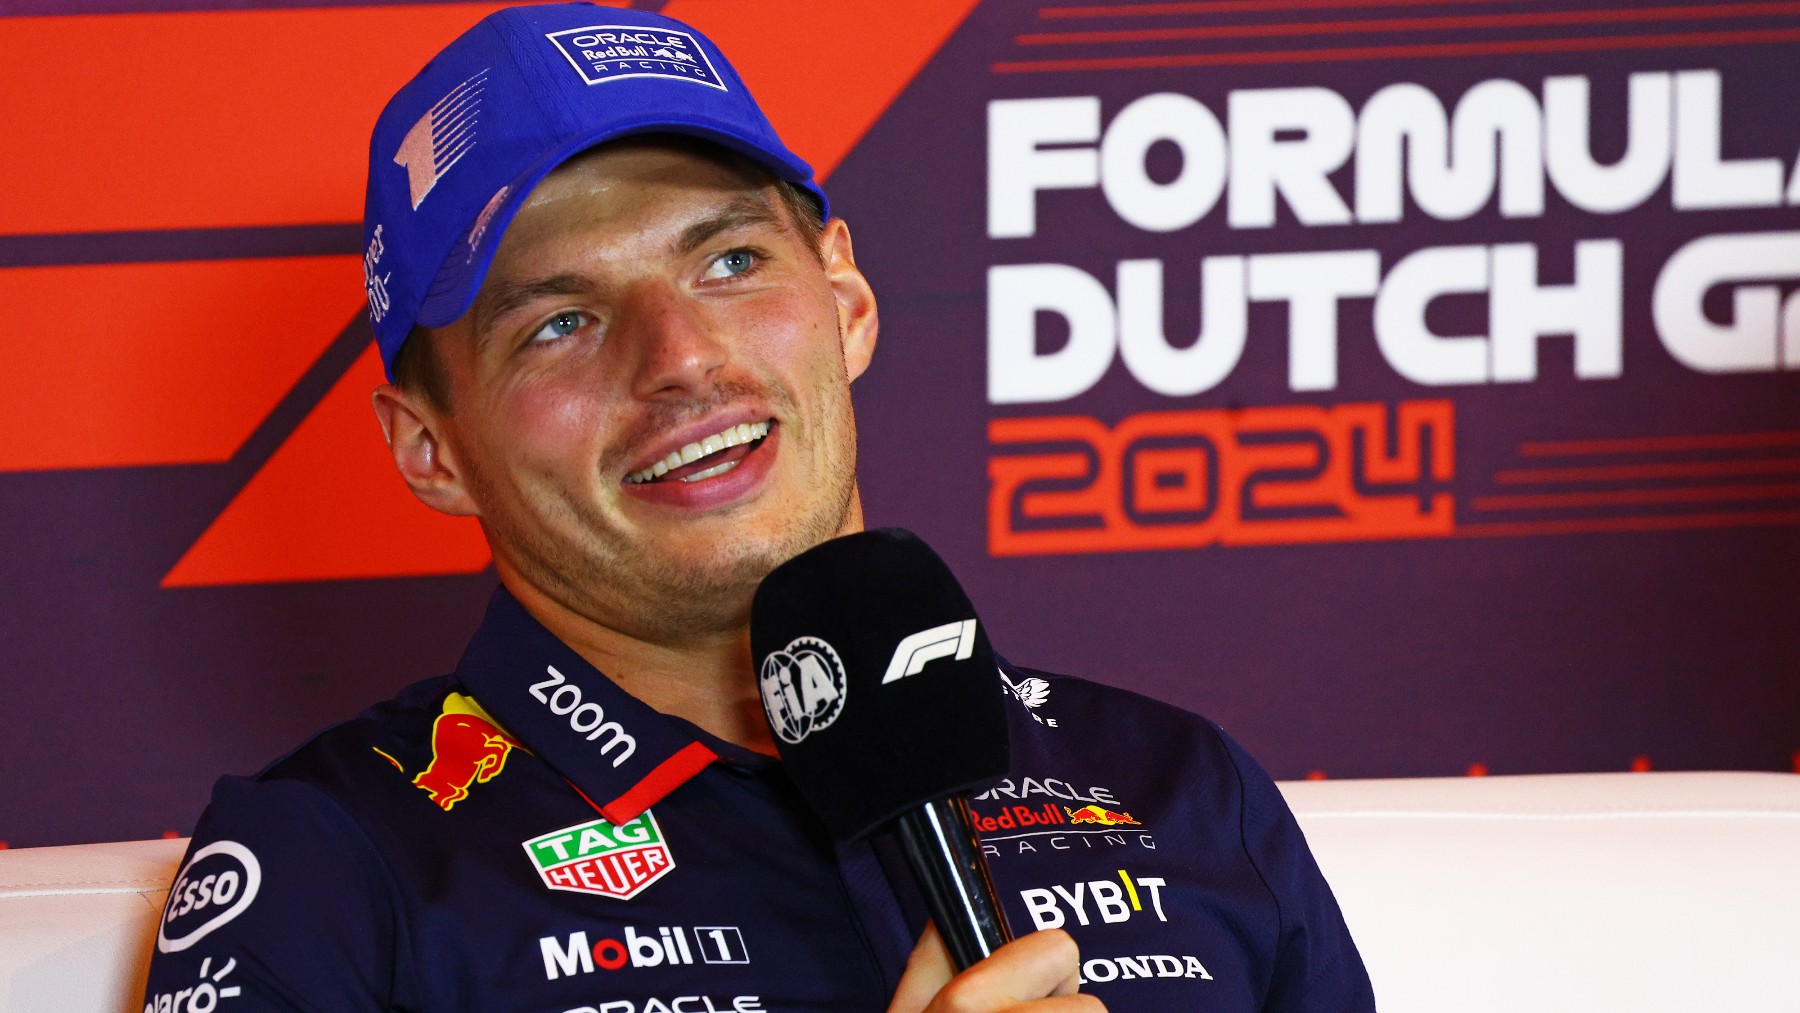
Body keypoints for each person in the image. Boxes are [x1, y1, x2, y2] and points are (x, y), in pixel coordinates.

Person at [143, 5, 1375, 1012]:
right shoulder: (334, 865)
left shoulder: (1172, 786)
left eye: (730, 262)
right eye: (560, 322)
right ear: (431, 448)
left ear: (844, 300)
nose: (677, 357)